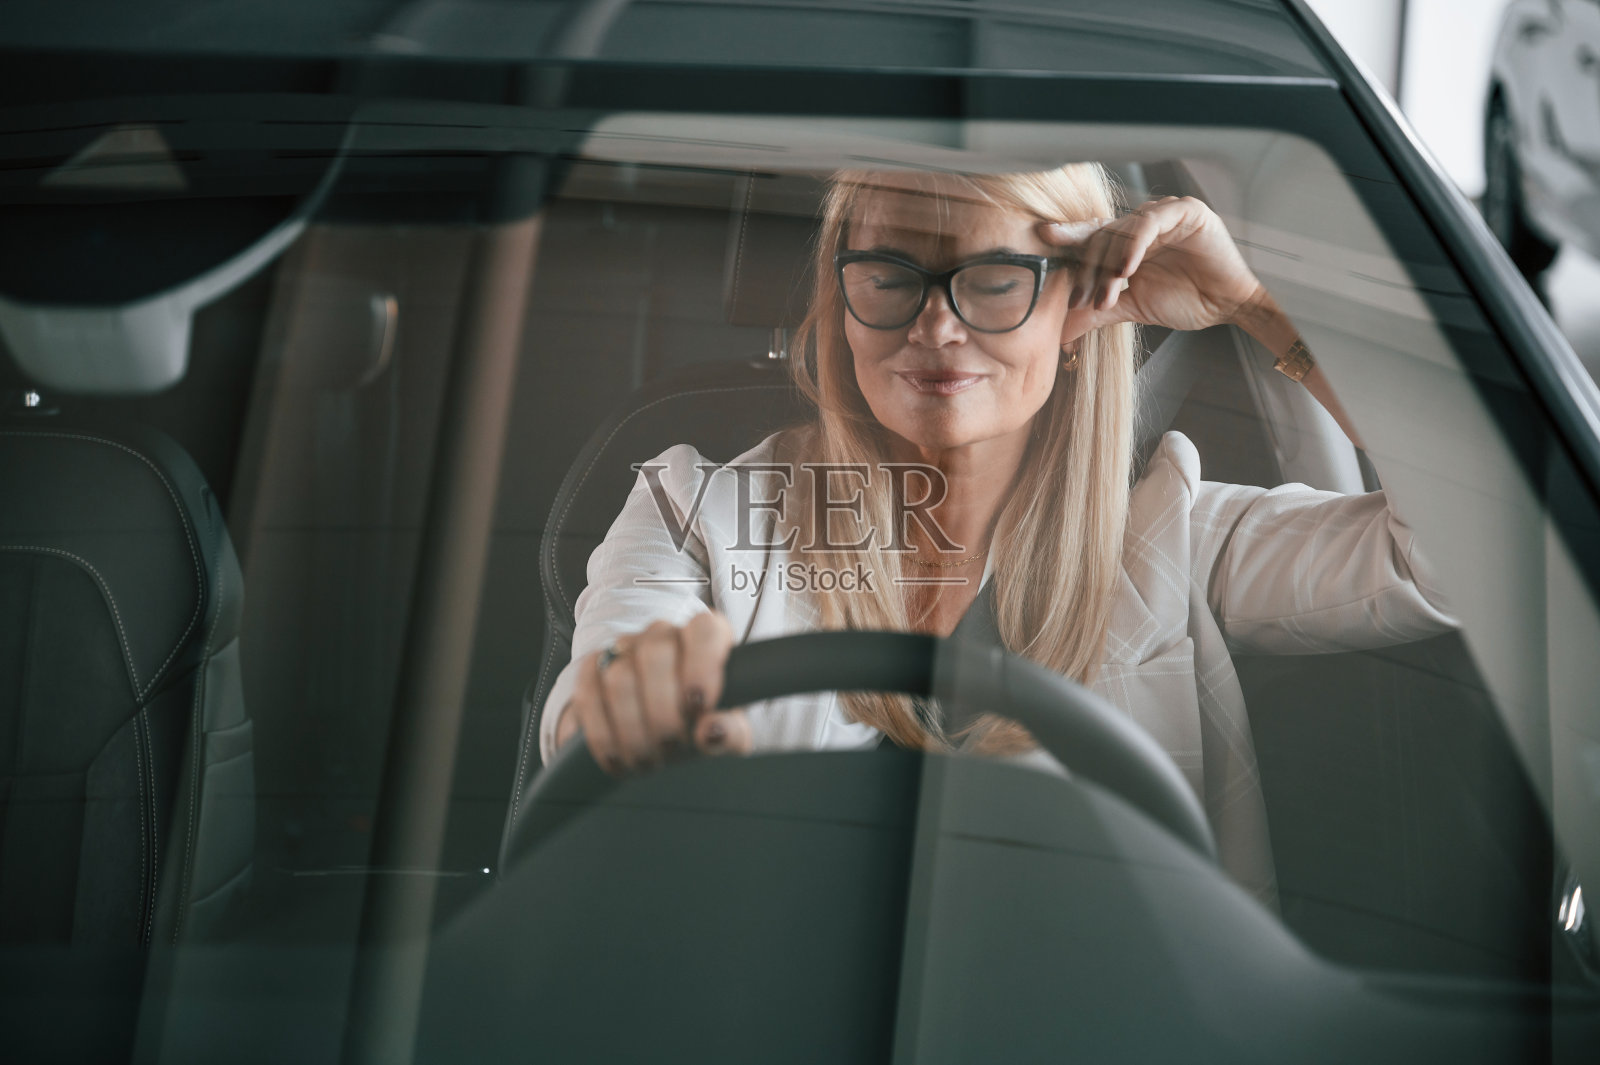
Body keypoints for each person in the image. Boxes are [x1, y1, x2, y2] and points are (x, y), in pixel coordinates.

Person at [536, 164, 1456, 903]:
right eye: (890, 277)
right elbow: (601, 705)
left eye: (994, 281)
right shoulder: (693, 516)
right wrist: (632, 713)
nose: (937, 325)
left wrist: (1256, 305)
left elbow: (1465, 559)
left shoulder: (1175, 536)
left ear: (1076, 313)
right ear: (843, 303)